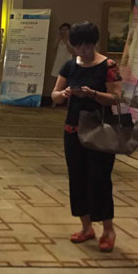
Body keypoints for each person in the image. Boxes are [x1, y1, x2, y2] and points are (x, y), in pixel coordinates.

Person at [50, 21, 122, 253]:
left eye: (88, 46)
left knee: (100, 179)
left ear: (94, 43)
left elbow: (116, 98)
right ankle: (86, 226)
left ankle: (108, 230)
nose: (84, 50)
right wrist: (63, 94)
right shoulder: (70, 66)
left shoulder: (108, 65)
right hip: (73, 130)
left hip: (100, 131)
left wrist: (93, 94)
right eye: (79, 46)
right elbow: (54, 95)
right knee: (77, 178)